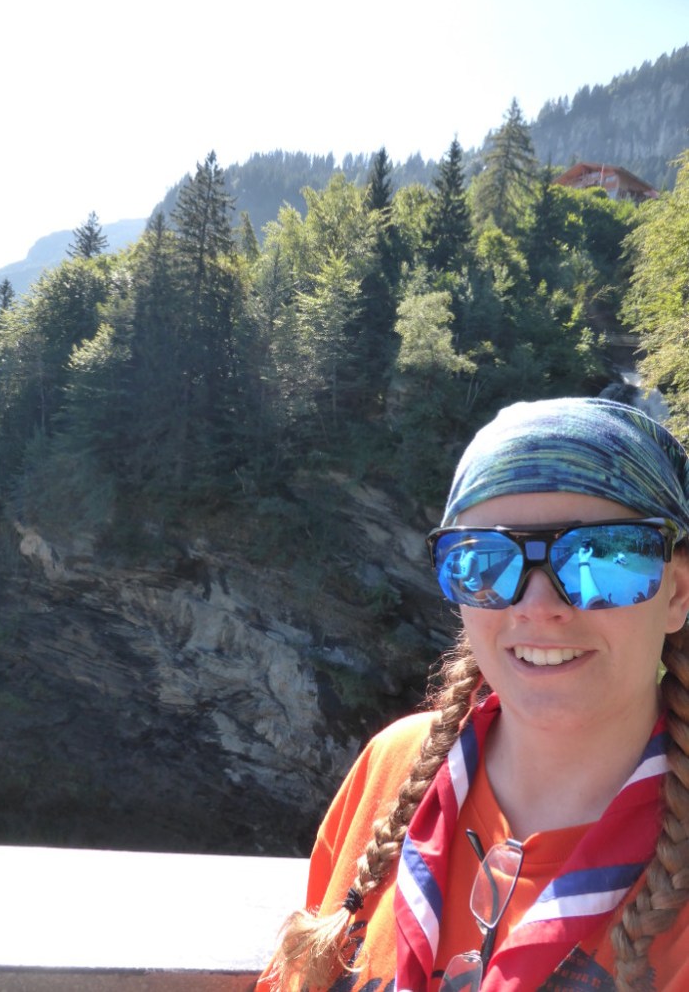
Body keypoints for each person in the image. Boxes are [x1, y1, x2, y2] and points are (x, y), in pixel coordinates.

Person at [257, 397, 689, 992]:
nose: (538, 607)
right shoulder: (395, 766)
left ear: (676, 593)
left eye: (601, 558)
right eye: (486, 561)